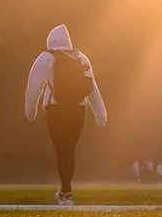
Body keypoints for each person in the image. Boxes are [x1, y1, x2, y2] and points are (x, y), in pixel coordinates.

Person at [25, 24, 107, 205]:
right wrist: (101, 115)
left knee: (63, 150)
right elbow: (92, 88)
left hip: (56, 110)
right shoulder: (81, 58)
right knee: (69, 149)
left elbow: (34, 87)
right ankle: (65, 191)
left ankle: (66, 193)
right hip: (79, 111)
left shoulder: (46, 58)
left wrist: (30, 111)